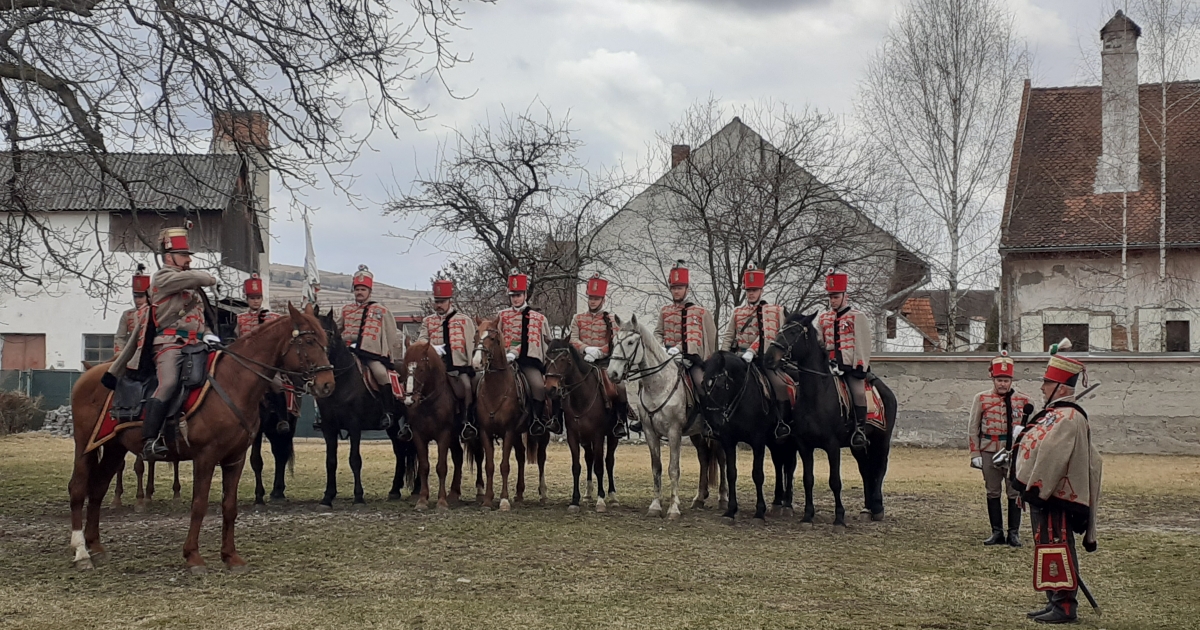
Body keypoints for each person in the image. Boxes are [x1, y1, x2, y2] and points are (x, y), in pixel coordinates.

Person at [105, 227, 219, 461]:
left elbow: (198, 318)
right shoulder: (164, 278)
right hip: (169, 344)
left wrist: (208, 334)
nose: (188, 259)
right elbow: (201, 277)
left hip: (196, 344)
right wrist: (209, 277)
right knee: (167, 383)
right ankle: (150, 439)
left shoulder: (188, 286)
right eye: (184, 254)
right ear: (169, 257)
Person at [1013, 340, 1103, 625]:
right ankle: (1054, 599)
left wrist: (1037, 491)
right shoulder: (1056, 414)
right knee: (1048, 546)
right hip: (1045, 493)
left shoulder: (1067, 417)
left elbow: (1053, 458)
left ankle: (1065, 606)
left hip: (1055, 495)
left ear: (1060, 388)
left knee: (1057, 547)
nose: (1041, 387)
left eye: (1046, 382)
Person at [335, 264, 410, 440]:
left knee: (381, 374)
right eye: (357, 289)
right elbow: (337, 329)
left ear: (369, 291)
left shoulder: (380, 310)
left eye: (363, 289)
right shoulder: (346, 310)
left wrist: (383, 351)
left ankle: (388, 412)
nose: (359, 292)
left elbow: (391, 333)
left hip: (370, 355)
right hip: (348, 353)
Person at [967, 352, 1034, 547]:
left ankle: (1014, 533)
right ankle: (996, 532)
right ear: (993, 379)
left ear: (1011, 380)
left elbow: (1033, 429)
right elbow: (973, 428)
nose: (1002, 384)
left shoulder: (1024, 401)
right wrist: (975, 454)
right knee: (992, 491)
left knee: (1014, 492)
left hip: (1013, 452)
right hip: (989, 450)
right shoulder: (981, 399)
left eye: (1006, 380)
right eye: (999, 380)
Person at [719, 264, 791, 438]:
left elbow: (768, 334)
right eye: (748, 290)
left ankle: (781, 422)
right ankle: (718, 421)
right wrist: (723, 357)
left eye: (754, 290)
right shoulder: (738, 312)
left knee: (780, 386)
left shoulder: (773, 311)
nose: (751, 293)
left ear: (761, 290)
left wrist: (752, 351)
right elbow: (729, 336)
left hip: (761, 359)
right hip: (738, 359)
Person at [568, 273, 631, 437]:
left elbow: (614, 341)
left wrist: (599, 352)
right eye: (591, 298)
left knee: (620, 388)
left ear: (603, 299)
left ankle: (619, 421)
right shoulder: (578, 318)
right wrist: (585, 349)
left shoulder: (611, 318)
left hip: (603, 363)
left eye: (596, 298)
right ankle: (559, 419)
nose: (592, 301)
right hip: (582, 364)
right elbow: (573, 338)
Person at [416, 278, 478, 440]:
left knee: (466, 387)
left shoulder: (464, 320)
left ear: (450, 300)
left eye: (442, 301)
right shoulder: (428, 321)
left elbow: (471, 344)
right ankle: (411, 424)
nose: (439, 305)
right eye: (436, 301)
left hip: (458, 367)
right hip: (434, 368)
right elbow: (421, 341)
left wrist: (471, 364)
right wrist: (431, 349)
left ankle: (467, 421)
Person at [817, 270, 872, 450]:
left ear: (844, 296)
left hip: (850, 366)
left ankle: (860, 429)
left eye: (836, 296)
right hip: (828, 366)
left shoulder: (857, 316)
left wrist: (858, 367)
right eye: (830, 297)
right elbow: (819, 342)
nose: (832, 300)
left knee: (858, 392)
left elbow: (862, 344)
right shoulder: (823, 318)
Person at [496, 270, 555, 435]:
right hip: (504, 362)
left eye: (519, 295)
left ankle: (537, 419)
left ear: (525, 295)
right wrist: (504, 353)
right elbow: (495, 338)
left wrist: (515, 352)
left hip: (527, 362)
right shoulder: (501, 316)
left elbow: (545, 342)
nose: (515, 298)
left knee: (538, 386)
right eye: (513, 295)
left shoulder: (539, 318)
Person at [236, 274, 293, 433]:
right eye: (252, 297)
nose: (255, 301)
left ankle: (283, 418)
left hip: (266, 364)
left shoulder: (273, 318)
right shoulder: (239, 318)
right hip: (245, 363)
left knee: (277, 385)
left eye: (258, 297)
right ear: (247, 299)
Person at [656, 260, 717, 400]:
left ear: (687, 289)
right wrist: (661, 347)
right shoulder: (664, 311)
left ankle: (707, 419)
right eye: (674, 288)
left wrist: (678, 349)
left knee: (702, 384)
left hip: (687, 358)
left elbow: (694, 336)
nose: (676, 291)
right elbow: (658, 332)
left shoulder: (697, 311)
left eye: (680, 288)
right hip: (665, 357)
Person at [113, 264, 150, 355]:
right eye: (135, 297)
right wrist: (119, 353)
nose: (138, 300)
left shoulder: (156, 312)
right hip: (132, 351)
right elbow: (120, 337)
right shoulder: (127, 314)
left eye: (141, 297)